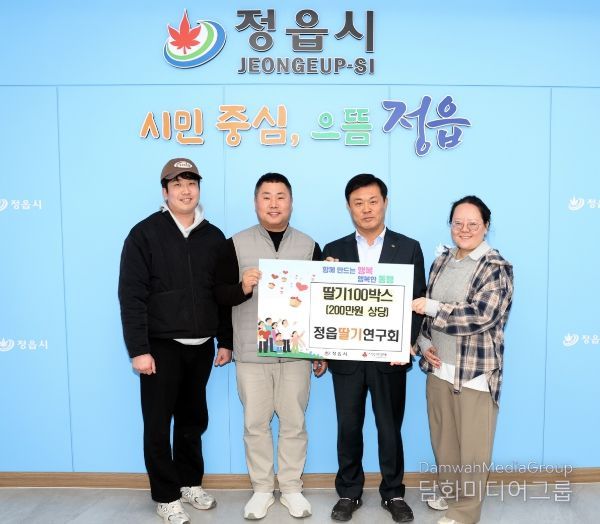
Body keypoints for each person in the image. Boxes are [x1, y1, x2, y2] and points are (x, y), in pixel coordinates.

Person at [118, 158, 233, 524]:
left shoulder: (214, 237)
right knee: (157, 424)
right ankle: (165, 496)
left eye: (191, 183)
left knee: (192, 420)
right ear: (165, 191)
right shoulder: (144, 234)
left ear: (199, 189)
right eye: (178, 184)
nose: (186, 191)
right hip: (160, 346)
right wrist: (139, 350)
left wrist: (225, 341)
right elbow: (131, 295)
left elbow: (222, 294)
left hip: (202, 347)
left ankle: (189, 483)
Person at [215, 173, 327, 520]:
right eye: (266, 196)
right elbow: (219, 296)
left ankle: (291, 488)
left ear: (291, 202)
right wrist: (242, 288)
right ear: (255, 202)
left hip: (296, 352)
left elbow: (322, 303)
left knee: (294, 422)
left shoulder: (309, 246)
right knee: (255, 425)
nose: (274, 203)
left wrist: (320, 350)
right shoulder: (234, 244)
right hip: (251, 353)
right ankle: (262, 489)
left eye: (281, 196)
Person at [323, 174, 426, 523]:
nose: (366, 209)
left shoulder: (408, 247)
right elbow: (323, 305)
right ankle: (348, 492)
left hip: (389, 359)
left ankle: (393, 493)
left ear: (385, 203)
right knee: (348, 427)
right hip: (346, 359)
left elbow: (417, 300)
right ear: (349, 207)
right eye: (358, 203)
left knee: (389, 428)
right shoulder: (333, 250)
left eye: (373, 201)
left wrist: (406, 343)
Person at [412, 196, 513, 524]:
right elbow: (427, 313)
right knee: (444, 440)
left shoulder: (496, 266)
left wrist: (432, 307)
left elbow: (481, 316)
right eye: (458, 223)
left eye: (473, 223)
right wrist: (422, 341)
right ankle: (450, 492)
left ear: (486, 226)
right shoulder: (442, 260)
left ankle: (465, 511)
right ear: (450, 225)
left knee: (472, 449)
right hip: (438, 368)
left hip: (474, 372)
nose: (464, 229)